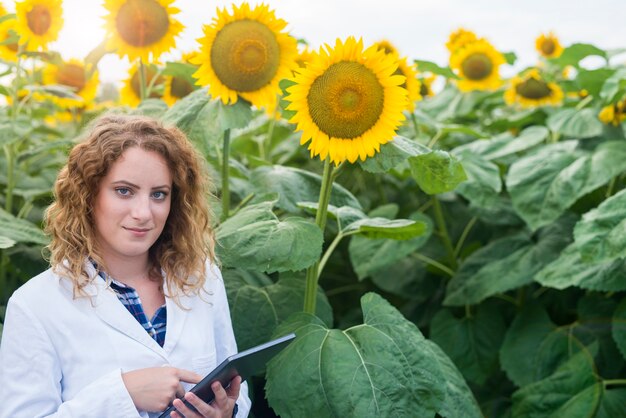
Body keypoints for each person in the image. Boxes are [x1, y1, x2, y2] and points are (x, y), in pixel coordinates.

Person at [0, 114, 251, 418]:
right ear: (88, 195)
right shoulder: (35, 306)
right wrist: (123, 394)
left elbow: (236, 386)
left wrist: (228, 411)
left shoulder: (202, 278)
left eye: (159, 194)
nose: (144, 212)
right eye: (124, 191)